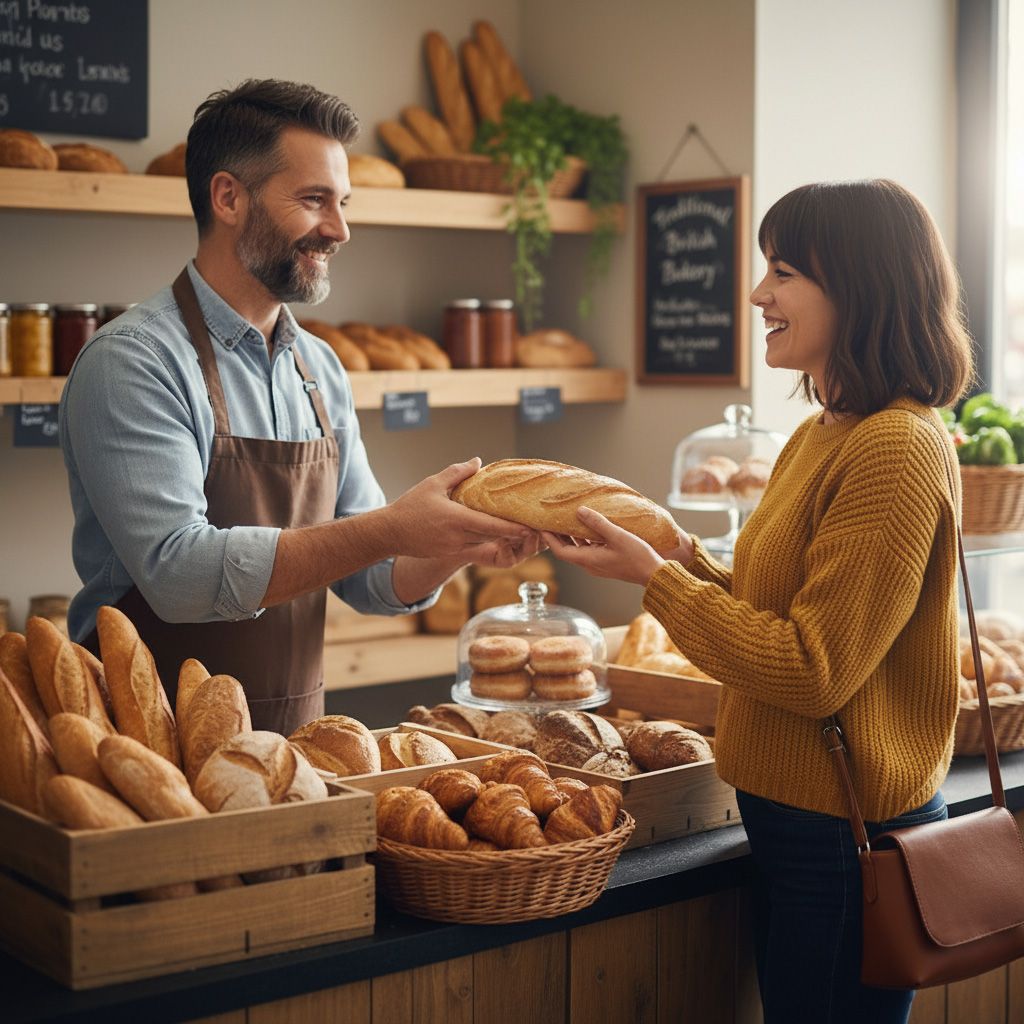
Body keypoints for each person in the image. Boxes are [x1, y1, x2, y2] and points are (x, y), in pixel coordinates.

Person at [542, 179, 973, 1023]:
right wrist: (678, 555)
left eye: (783, 273)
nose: (756, 295)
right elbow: (784, 605)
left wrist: (658, 581)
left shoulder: (895, 446)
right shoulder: (823, 432)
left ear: (859, 288)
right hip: (797, 820)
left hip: (846, 835)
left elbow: (813, 669)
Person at [59, 79, 539, 734]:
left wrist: (460, 539)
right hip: (147, 745)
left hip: (294, 746)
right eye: (314, 200)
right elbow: (179, 575)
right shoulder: (133, 362)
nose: (339, 230)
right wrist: (394, 526)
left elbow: (372, 579)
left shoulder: (319, 367)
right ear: (228, 198)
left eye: (342, 202)